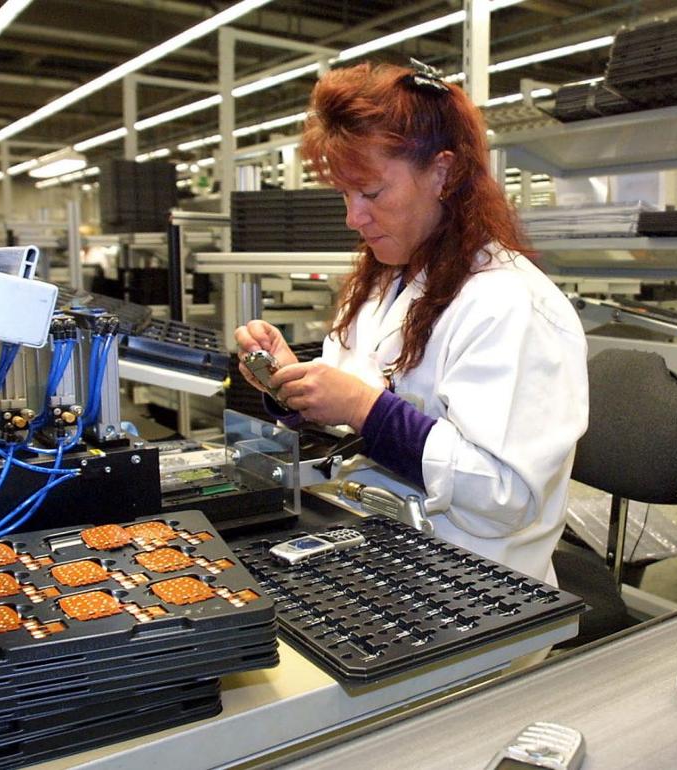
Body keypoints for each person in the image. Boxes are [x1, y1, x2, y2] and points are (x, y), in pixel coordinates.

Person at [234, 61, 589, 583]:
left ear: (441, 173)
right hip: (377, 539)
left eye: (372, 193)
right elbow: (349, 399)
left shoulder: (510, 304)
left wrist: (363, 409)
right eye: (344, 195)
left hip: (475, 583)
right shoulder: (383, 282)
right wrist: (292, 383)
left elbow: (504, 493)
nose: (353, 218)